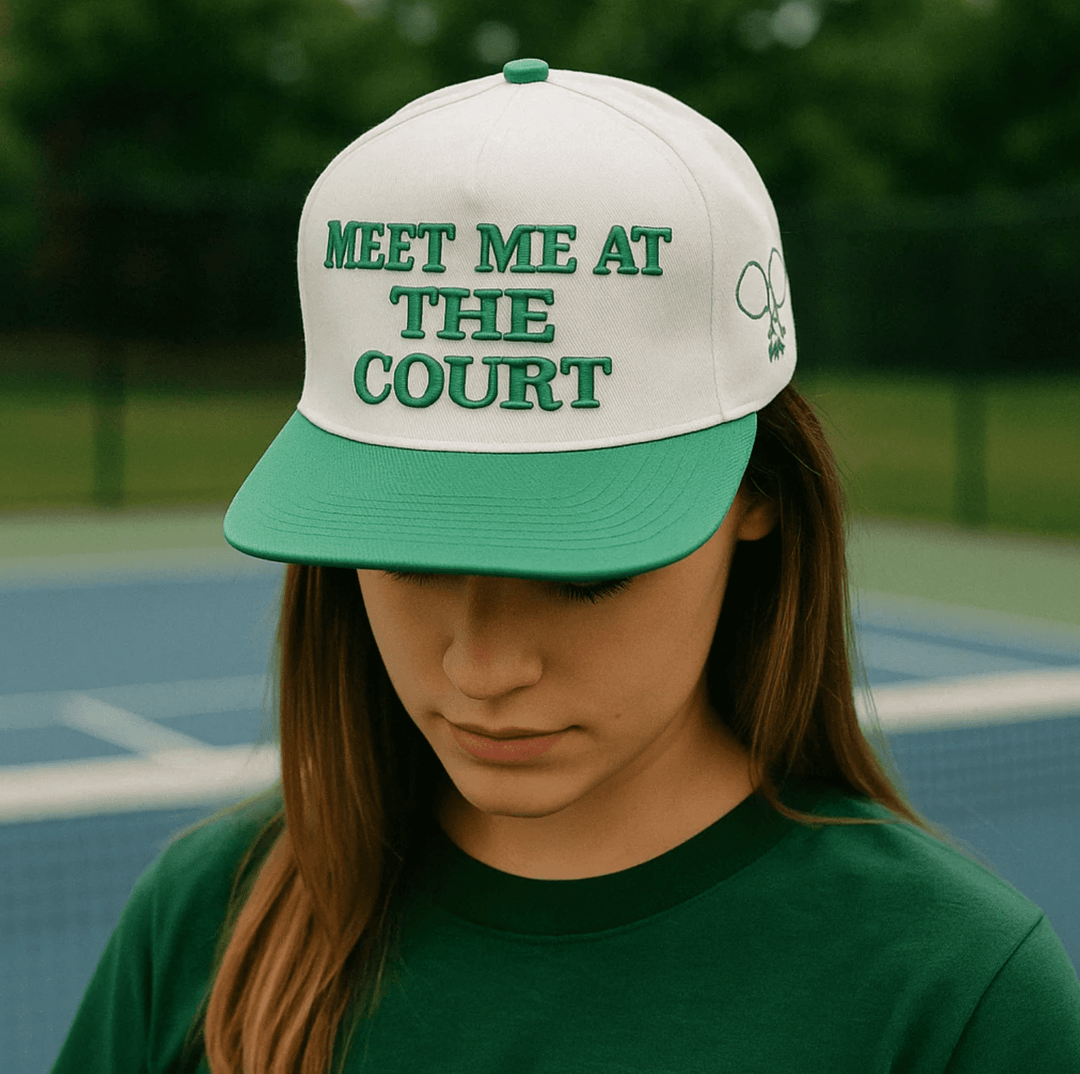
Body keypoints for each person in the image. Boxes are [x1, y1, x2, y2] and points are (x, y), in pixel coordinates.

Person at [51, 58, 1079, 1074]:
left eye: (583, 570)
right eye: (406, 557)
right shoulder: (201, 926)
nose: (484, 669)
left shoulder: (957, 1001)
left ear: (758, 493)